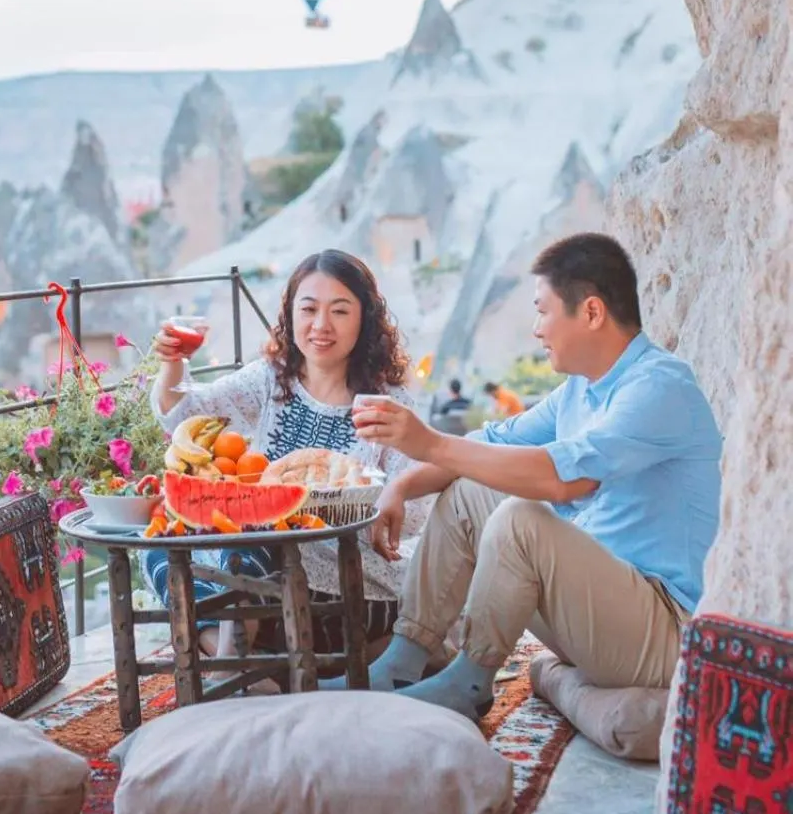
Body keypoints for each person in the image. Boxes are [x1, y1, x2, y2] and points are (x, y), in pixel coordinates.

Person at [346, 232, 722, 720]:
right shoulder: (578, 391)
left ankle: (467, 682)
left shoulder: (659, 388)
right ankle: (403, 662)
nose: (537, 329)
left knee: (521, 519)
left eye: (543, 311)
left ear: (590, 312)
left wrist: (430, 442)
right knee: (470, 490)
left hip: (666, 629)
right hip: (601, 611)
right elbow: (488, 445)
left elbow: (566, 482)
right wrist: (401, 485)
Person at [146, 249, 429, 658]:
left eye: (340, 311)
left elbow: (415, 512)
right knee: (161, 548)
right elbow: (184, 417)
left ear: (364, 320)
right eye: (309, 308)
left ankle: (232, 663)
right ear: (290, 314)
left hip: (349, 593)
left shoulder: (384, 404)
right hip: (259, 586)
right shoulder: (269, 381)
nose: (321, 325)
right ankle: (236, 661)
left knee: (251, 543)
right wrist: (174, 362)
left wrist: (362, 502)